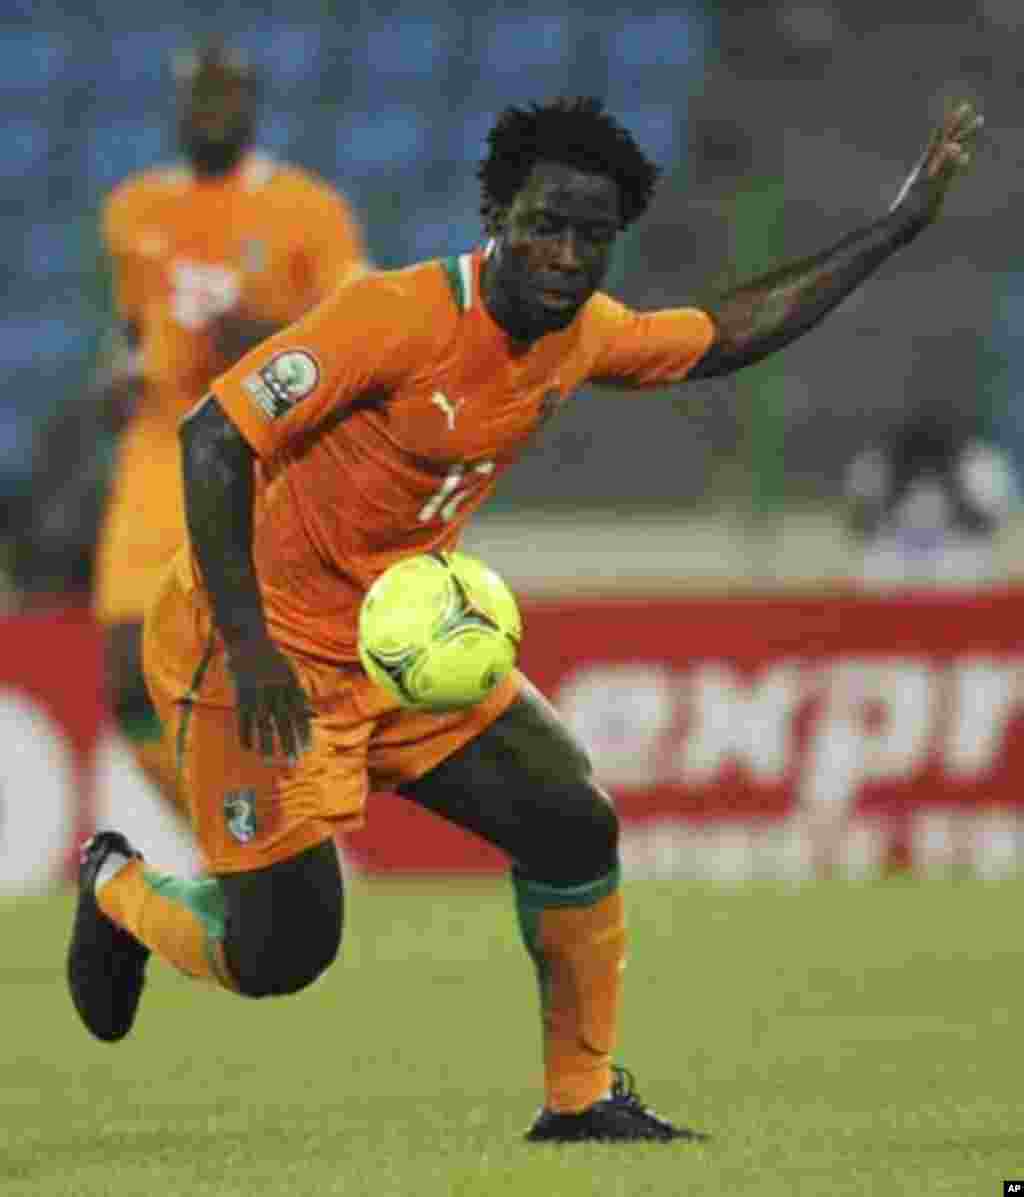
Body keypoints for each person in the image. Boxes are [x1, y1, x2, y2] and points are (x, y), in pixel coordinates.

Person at [67, 96, 981, 1143]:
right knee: (282, 955)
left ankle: (580, 1100)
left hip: (396, 648)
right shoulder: (393, 318)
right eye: (545, 223)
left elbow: (727, 333)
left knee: (571, 821)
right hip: (252, 654)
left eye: (591, 236)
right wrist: (254, 644)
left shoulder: (581, 336)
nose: (564, 253)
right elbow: (211, 438)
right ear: (496, 213)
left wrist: (896, 224)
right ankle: (118, 889)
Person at [89, 41, 368, 815]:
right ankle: (230, 833)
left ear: (251, 107)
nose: (209, 111)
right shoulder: (134, 208)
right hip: (156, 450)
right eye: (196, 97)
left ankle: (288, 822)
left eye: (225, 96)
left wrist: (245, 329)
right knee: (123, 674)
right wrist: (116, 376)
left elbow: (350, 337)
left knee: (255, 665)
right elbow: (128, 330)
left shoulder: (309, 210)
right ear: (176, 107)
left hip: (260, 456)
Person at [843, 398, 1017, 590]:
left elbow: (989, 526)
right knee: (877, 570)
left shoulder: (979, 464)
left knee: (962, 571)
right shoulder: (877, 464)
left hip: (954, 545)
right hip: (897, 545)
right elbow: (859, 526)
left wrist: (955, 490)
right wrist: (893, 494)